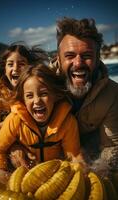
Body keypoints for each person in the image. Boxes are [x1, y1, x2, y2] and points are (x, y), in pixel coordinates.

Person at [0, 64, 85, 181]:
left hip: (52, 175)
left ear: (56, 95)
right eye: (29, 96)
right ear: (23, 100)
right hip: (24, 174)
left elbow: (73, 156)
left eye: (44, 94)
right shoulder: (14, 120)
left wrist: (81, 171)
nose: (37, 101)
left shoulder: (68, 122)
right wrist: (1, 170)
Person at [50, 17, 118, 174]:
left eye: (87, 55)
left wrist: (90, 173)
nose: (78, 63)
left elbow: (112, 147)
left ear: (97, 59)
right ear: (58, 59)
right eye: (70, 56)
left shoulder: (113, 94)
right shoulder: (41, 86)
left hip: (90, 151)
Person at [0, 42, 48, 147]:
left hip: (24, 131)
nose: (15, 68)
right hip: (4, 130)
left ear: (30, 67)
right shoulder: (0, 87)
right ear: (4, 69)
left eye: (21, 64)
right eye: (10, 64)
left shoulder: (36, 85)